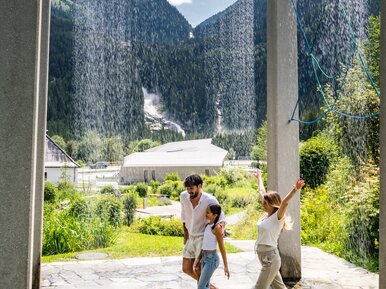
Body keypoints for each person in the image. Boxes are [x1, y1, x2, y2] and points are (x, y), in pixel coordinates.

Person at [254, 169, 305, 289]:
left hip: (270, 258)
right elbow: (262, 192)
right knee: (280, 287)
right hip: (264, 257)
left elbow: (285, 203)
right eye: (263, 203)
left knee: (259, 288)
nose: (263, 205)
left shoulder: (277, 217)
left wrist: (295, 189)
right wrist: (259, 178)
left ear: (273, 204)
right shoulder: (266, 214)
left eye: (265, 203)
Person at [180, 174, 226, 289]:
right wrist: (185, 237)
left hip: (202, 238)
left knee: (197, 270)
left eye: (191, 188)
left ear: (199, 186)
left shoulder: (209, 200)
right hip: (191, 237)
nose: (189, 191)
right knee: (186, 268)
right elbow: (184, 218)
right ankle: (211, 287)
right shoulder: (183, 197)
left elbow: (221, 218)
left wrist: (219, 230)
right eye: (187, 188)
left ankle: (205, 286)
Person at [193, 204, 230, 289]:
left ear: (215, 215)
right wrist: (198, 259)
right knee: (205, 285)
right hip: (204, 258)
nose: (206, 214)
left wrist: (226, 266)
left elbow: (222, 248)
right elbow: (204, 245)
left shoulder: (217, 228)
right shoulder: (207, 226)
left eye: (208, 213)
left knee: (201, 287)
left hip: (212, 260)